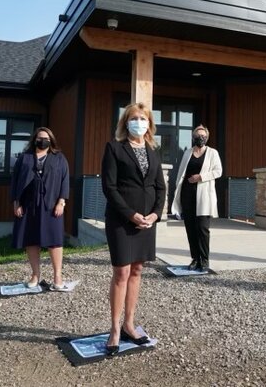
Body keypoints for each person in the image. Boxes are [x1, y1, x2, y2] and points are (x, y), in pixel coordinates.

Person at [101, 102, 166, 355]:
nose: (139, 122)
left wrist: (155, 215)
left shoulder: (153, 151)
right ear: (125, 122)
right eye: (134, 118)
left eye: (143, 118)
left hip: (147, 221)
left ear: (149, 124)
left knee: (137, 269)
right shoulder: (114, 148)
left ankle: (129, 324)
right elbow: (110, 187)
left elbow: (160, 187)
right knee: (122, 272)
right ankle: (115, 329)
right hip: (121, 220)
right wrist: (130, 214)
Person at [10, 127, 70, 291]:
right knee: (31, 240)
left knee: (54, 241)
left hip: (51, 204)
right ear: (34, 140)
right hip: (28, 204)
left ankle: (58, 276)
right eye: (39, 137)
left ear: (51, 141)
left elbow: (65, 180)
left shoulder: (59, 158)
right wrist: (16, 202)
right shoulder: (25, 158)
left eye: (46, 138)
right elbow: (15, 181)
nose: (42, 140)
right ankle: (35, 275)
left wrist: (61, 202)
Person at [171, 125, 223, 271]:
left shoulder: (212, 153)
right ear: (193, 137)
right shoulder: (187, 152)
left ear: (206, 137)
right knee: (190, 228)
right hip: (187, 194)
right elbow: (181, 173)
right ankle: (195, 259)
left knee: (202, 228)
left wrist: (201, 177)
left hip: (204, 196)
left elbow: (218, 171)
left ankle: (205, 260)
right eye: (197, 136)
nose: (200, 138)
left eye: (203, 136)